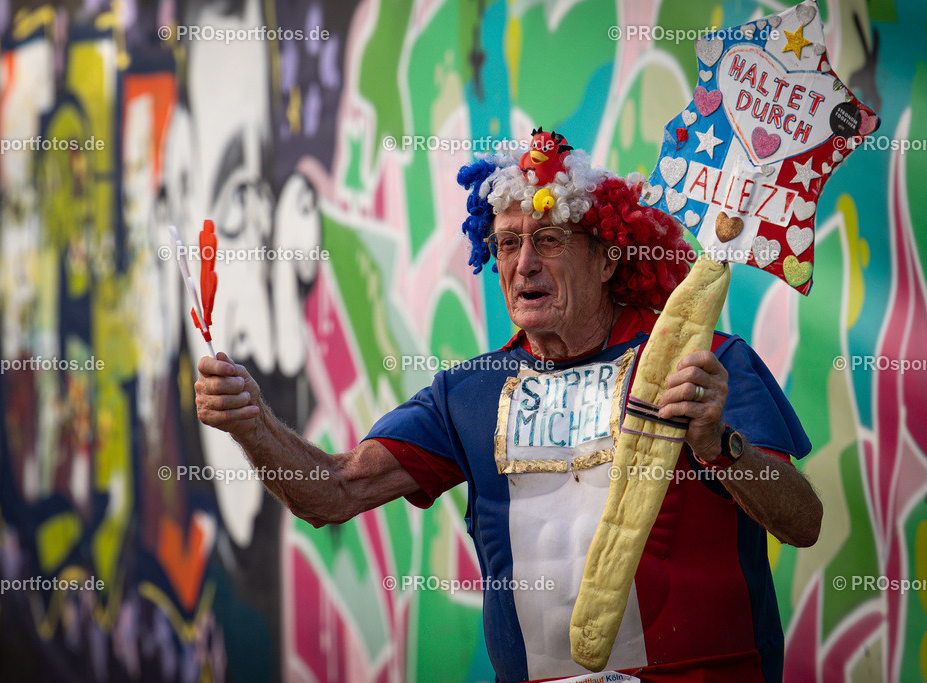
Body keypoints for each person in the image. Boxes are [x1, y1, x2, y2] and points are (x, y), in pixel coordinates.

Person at [194, 130, 823, 683]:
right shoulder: (470, 393)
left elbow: (803, 522)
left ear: (607, 256)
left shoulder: (703, 363)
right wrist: (253, 424)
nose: (524, 265)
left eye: (548, 239)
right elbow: (331, 493)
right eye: (506, 244)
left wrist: (722, 448)